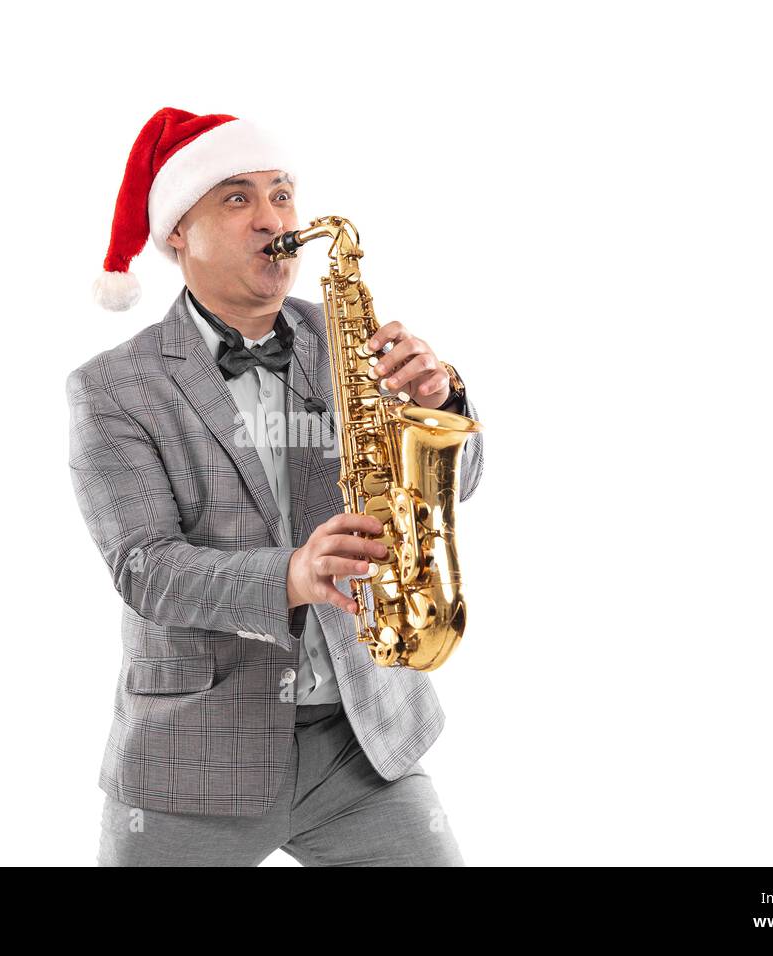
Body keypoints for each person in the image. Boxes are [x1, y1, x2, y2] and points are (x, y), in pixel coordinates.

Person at [67, 107, 485, 865]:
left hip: (364, 746)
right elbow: (144, 568)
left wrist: (439, 404)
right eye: (237, 198)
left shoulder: (351, 342)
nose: (273, 219)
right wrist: (291, 575)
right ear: (176, 233)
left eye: (282, 193)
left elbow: (450, 484)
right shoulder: (112, 389)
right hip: (195, 760)